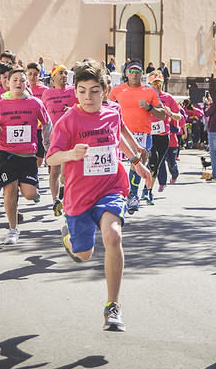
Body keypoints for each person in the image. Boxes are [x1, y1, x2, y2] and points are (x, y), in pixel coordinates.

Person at [46, 59, 153, 332]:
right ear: (75, 91)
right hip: (79, 196)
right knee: (84, 254)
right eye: (82, 91)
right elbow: (51, 158)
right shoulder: (68, 121)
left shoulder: (113, 112)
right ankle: (70, 238)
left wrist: (137, 164)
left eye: (94, 90)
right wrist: (70, 155)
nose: (88, 97)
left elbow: (122, 137)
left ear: (105, 90)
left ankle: (112, 307)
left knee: (113, 235)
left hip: (111, 188)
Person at [0, 67, 50, 244]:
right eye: (14, 80)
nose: (18, 83)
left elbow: (47, 124)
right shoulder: (0, 105)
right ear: (7, 83)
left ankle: (32, 190)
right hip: (5, 153)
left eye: (22, 80)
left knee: (29, 194)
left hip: (28, 155)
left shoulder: (35, 103)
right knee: (10, 189)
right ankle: (13, 229)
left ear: (26, 84)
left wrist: (48, 145)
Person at [107, 61, 165, 213]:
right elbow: (105, 106)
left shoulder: (150, 91)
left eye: (137, 70)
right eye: (131, 70)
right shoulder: (117, 90)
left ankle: (133, 195)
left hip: (142, 135)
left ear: (141, 74)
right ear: (126, 73)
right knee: (115, 165)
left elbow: (163, 114)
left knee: (137, 163)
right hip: (120, 134)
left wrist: (150, 107)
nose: (134, 73)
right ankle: (114, 195)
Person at [42, 64, 77, 214]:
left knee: (69, 169)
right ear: (53, 77)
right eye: (61, 73)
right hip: (54, 136)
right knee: (55, 168)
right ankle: (55, 200)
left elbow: (84, 106)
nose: (64, 75)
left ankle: (67, 193)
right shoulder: (47, 93)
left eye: (65, 73)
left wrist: (74, 109)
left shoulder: (73, 90)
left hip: (72, 134)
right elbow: (41, 114)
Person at [145, 71, 183, 197]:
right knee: (152, 161)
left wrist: (171, 114)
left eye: (159, 83)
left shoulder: (168, 98)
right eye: (154, 83)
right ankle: (146, 190)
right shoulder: (146, 97)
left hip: (164, 136)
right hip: (150, 135)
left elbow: (179, 117)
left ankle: (149, 190)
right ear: (150, 84)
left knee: (157, 165)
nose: (156, 85)